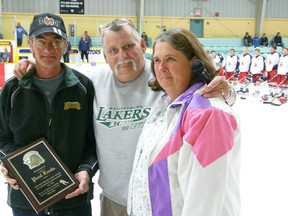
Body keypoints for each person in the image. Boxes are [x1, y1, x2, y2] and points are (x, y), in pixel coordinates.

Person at [14, 18, 236, 216]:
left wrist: (227, 91)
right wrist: (34, 64)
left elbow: (201, 99)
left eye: (128, 46)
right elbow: (58, 77)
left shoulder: (164, 77)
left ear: (141, 46)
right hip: (114, 200)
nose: (122, 56)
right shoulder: (93, 82)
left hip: (159, 202)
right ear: (104, 55)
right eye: (113, 50)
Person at [127, 28, 241, 216]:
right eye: (157, 60)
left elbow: (204, 199)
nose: (161, 67)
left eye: (170, 59)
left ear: (194, 64)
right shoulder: (166, 103)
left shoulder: (209, 114)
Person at [0, 12, 97, 216]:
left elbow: (94, 141)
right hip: (25, 200)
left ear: (65, 45)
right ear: (30, 43)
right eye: (42, 41)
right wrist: (10, 163)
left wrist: (86, 169)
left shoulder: (84, 87)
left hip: (74, 198)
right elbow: (1, 138)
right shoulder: (12, 89)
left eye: (56, 41)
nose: (48, 49)